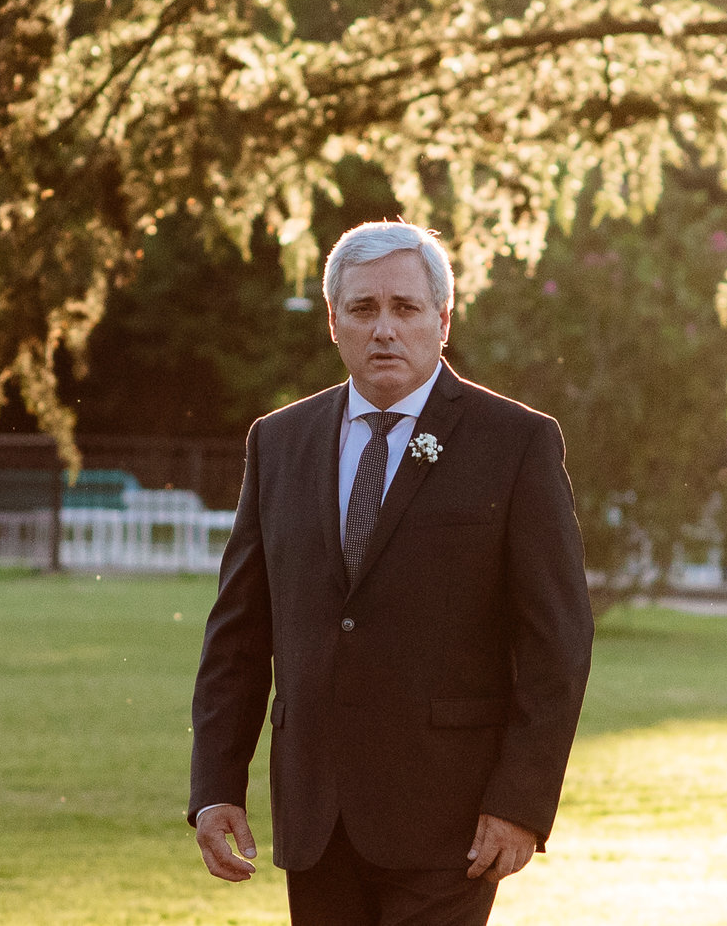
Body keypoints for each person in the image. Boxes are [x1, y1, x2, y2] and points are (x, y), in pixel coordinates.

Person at [188, 220, 594, 926]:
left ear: (441, 320)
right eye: (363, 308)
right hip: (316, 817)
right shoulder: (279, 441)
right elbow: (239, 634)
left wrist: (520, 804)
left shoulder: (516, 443)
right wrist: (217, 782)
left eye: (404, 308)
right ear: (333, 320)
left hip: (453, 821)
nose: (383, 328)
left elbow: (557, 644)